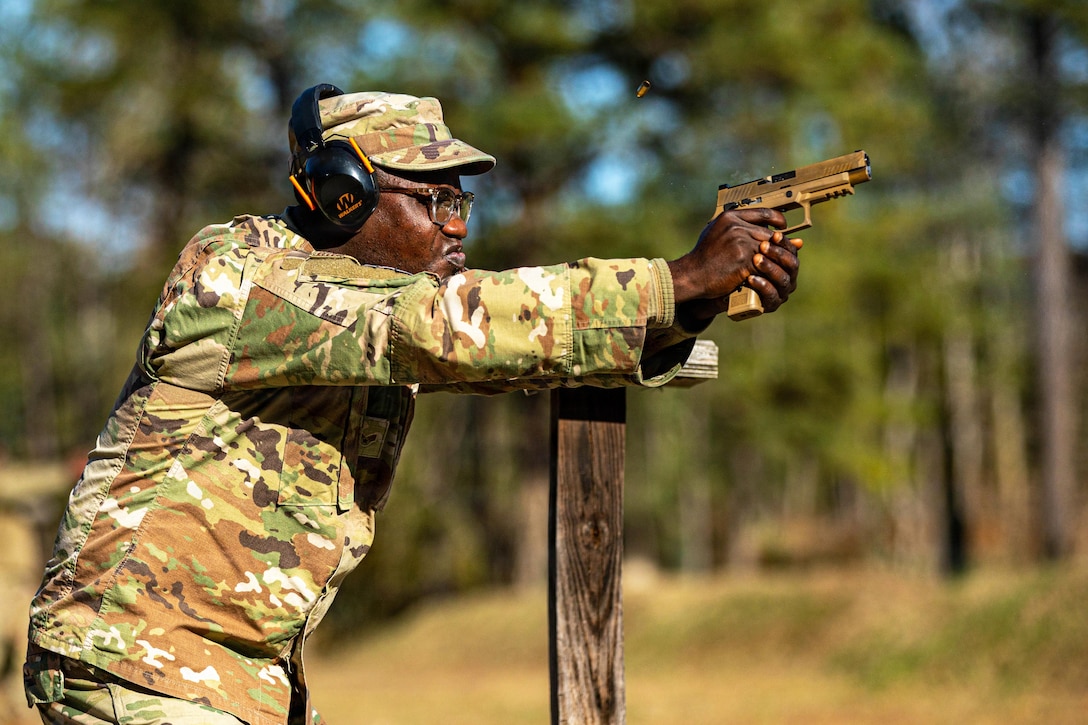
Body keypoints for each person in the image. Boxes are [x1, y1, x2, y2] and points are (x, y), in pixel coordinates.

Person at [23, 84, 801, 725]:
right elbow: (443, 330)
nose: (457, 230)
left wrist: (688, 310)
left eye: (463, 205)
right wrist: (677, 277)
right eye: (437, 203)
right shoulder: (234, 277)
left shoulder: (377, 308)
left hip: (227, 683)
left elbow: (512, 349)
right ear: (342, 196)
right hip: (128, 661)